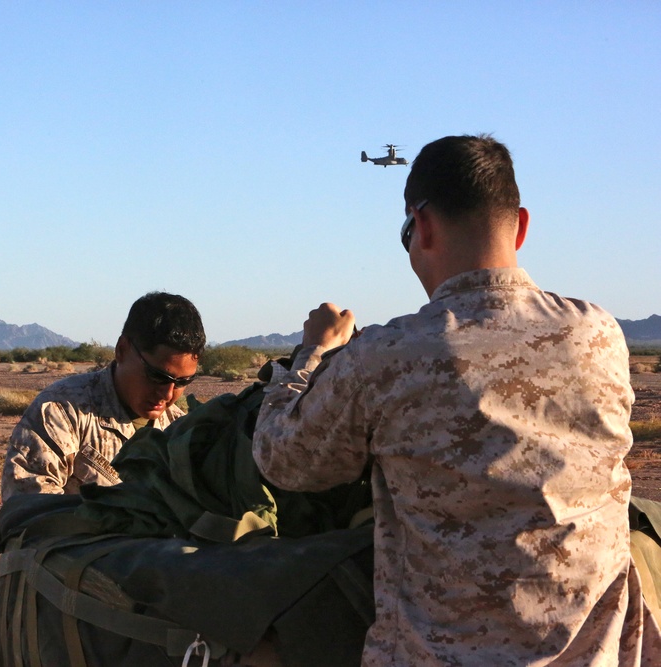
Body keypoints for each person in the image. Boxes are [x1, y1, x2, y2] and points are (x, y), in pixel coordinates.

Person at [253, 134, 661, 665]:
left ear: (421, 226)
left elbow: (283, 460)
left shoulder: (387, 356)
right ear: (522, 225)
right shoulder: (600, 335)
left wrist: (311, 354)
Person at [1, 291, 205, 500]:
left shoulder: (179, 430)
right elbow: (27, 510)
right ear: (122, 350)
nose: (168, 394)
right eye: (157, 376)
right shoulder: (62, 411)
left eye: (183, 382)